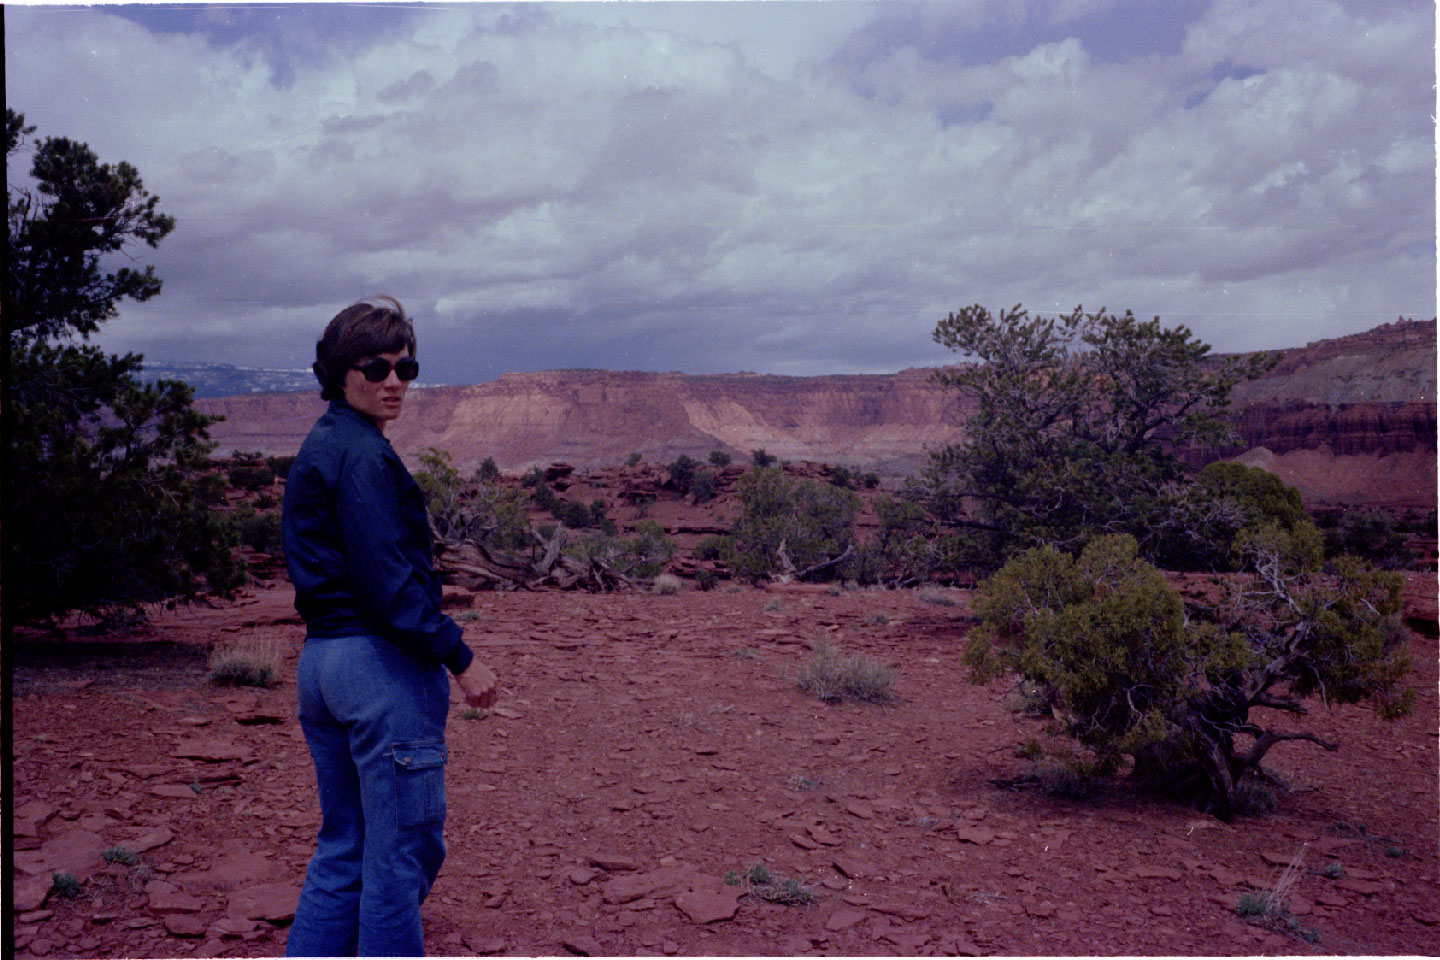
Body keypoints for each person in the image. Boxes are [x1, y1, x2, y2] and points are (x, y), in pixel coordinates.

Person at [281, 296, 498, 957]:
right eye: (377, 367)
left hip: (322, 668)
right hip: (378, 670)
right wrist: (460, 656)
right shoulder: (364, 458)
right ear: (339, 371)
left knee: (345, 846)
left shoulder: (321, 445)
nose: (394, 382)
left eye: (407, 368)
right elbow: (391, 588)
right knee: (397, 860)